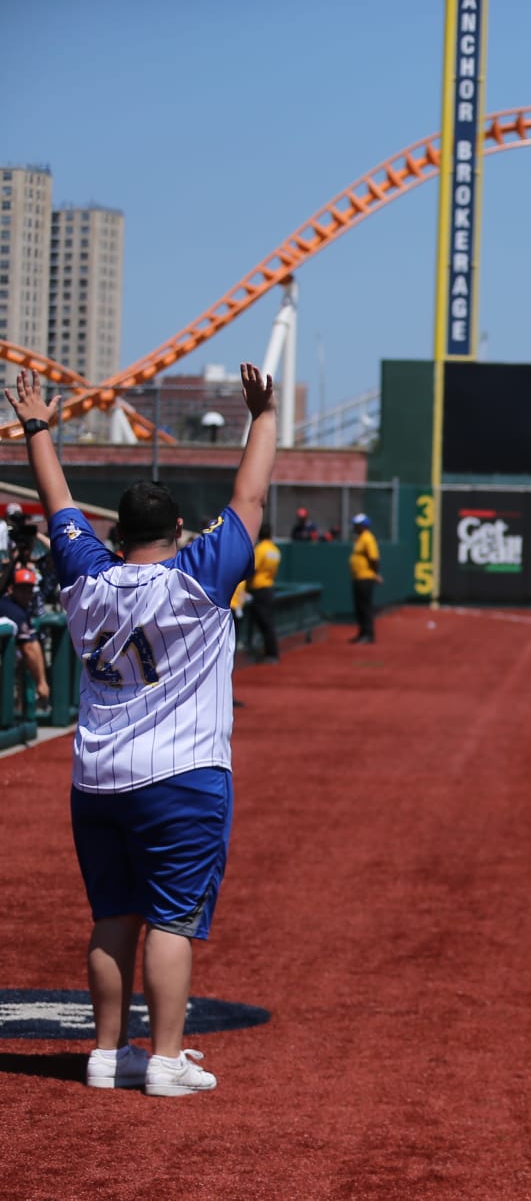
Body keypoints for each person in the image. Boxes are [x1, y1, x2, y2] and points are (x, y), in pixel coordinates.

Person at [5, 360, 275, 1098]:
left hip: (96, 781)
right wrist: (265, 416)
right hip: (182, 779)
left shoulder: (85, 574)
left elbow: (57, 500)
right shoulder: (199, 578)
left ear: (118, 532)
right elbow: (249, 496)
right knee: (172, 923)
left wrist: (37, 428)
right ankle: (163, 1059)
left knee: (111, 919)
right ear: (179, 531)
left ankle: (104, 1053)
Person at [0, 565, 52, 713]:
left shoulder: (21, 609)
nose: (26, 594)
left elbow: (32, 645)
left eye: (29, 589)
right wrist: (41, 683)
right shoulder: (12, 609)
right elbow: (29, 649)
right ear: (11, 589)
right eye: (22, 589)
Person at [242, 521, 282, 663]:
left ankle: (271, 654)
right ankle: (270, 651)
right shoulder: (274, 550)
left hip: (259, 589)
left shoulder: (260, 549)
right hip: (269, 587)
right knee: (268, 621)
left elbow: (253, 569)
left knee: (264, 622)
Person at [348, 513, 380, 645]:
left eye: (357, 525)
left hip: (365, 578)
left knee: (365, 607)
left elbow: (374, 559)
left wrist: (374, 574)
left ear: (364, 526)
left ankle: (368, 634)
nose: (355, 527)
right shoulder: (359, 539)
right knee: (359, 607)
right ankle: (362, 633)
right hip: (357, 577)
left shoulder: (368, 538)